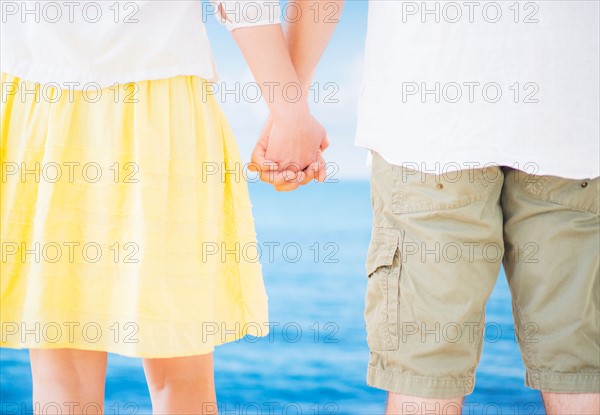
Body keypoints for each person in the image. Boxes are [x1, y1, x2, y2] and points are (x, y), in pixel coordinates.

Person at [255, 1, 600, 414]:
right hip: (574, 112)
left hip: (430, 121)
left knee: (424, 375)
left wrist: (290, 108)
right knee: (581, 366)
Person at [0, 1, 331, 412]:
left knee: (61, 374)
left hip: (40, 104)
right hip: (162, 106)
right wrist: (290, 111)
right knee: (181, 376)